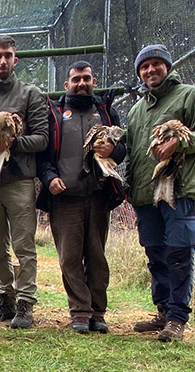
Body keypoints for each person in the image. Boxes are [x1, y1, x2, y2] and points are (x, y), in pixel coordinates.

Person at [126, 44, 195, 341]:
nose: (150, 70)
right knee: (155, 253)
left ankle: (178, 318)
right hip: (144, 194)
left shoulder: (189, 95)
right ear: (140, 72)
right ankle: (164, 311)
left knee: (179, 252)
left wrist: (180, 143)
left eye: (156, 64)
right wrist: (127, 187)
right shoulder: (136, 110)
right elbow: (130, 151)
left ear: (167, 66)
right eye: (144, 66)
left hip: (178, 191)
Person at [37, 61, 125, 334]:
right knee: (70, 257)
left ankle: (98, 311)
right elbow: (42, 155)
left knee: (97, 256)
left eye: (86, 78)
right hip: (65, 197)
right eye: (76, 79)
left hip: (99, 195)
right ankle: (80, 311)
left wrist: (113, 149)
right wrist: (49, 178)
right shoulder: (55, 112)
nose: (81, 83)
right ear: (67, 85)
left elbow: (123, 149)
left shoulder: (106, 112)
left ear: (94, 81)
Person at [0, 36, 48, 329]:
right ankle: (5, 297)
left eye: (8, 55)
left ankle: (26, 303)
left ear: (15, 60)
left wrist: (13, 142)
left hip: (20, 181)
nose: (3, 61)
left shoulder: (31, 94)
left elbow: (42, 138)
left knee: (23, 245)